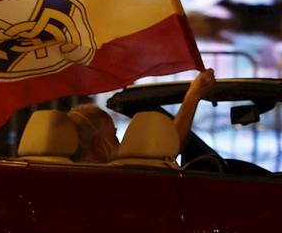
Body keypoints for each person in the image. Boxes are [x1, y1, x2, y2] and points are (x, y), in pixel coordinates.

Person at [68, 69, 217, 164]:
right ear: (98, 145)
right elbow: (165, 149)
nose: (119, 142)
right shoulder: (115, 177)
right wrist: (193, 96)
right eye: (113, 135)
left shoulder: (60, 174)